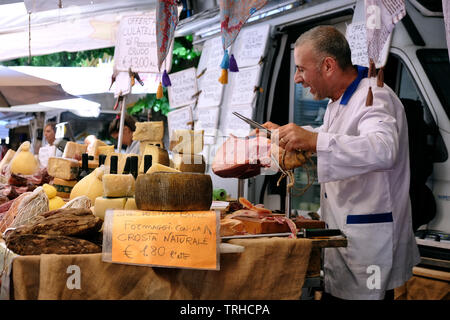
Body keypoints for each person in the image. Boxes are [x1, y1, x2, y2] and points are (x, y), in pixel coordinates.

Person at [263, 25, 420, 300]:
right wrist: (290, 136)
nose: (297, 79)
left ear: (328, 65)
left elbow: (383, 149)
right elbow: (335, 140)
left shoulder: (375, 95)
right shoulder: (338, 101)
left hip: (371, 246)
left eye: (301, 68)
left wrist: (313, 141)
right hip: (346, 241)